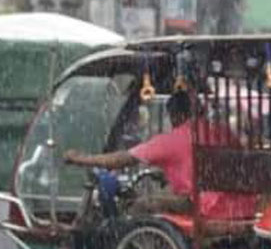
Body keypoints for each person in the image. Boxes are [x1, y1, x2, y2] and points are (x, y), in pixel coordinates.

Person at [64, 92, 258, 220]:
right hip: (243, 208)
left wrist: (80, 159)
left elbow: (121, 159)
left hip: (207, 209)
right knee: (168, 197)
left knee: (140, 206)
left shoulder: (173, 139)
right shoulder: (222, 132)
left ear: (175, 115)